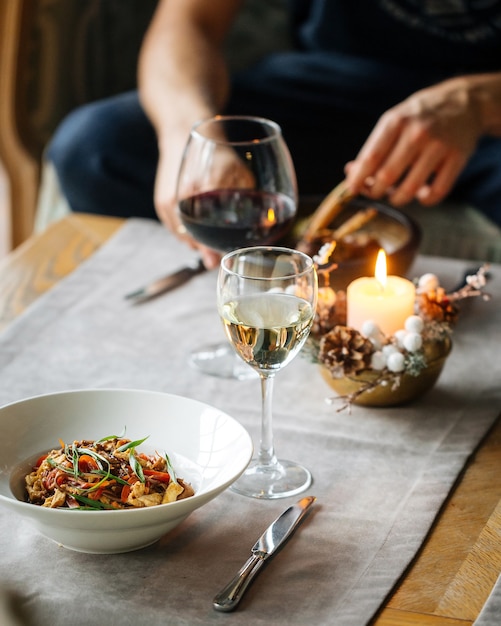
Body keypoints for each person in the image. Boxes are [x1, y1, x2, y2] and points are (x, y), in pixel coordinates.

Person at [48, 0, 501, 268]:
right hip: (334, 83)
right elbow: (188, 22)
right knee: (95, 148)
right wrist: (190, 137)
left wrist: (478, 101)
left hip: (490, 112)